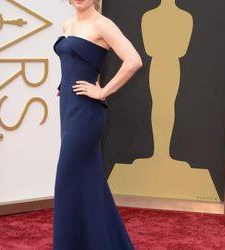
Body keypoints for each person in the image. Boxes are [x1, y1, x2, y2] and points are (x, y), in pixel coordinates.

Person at [52, 0, 142, 249]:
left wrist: (102, 92)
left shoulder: (103, 24)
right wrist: (64, 83)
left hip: (86, 113)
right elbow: (77, 62)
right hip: (69, 108)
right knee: (88, 181)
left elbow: (133, 61)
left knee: (66, 179)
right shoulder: (67, 24)